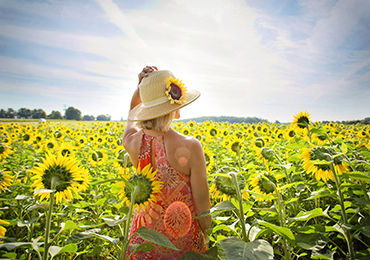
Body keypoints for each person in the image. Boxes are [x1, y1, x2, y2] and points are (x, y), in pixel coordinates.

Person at [122, 66, 212, 259]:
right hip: (182, 240)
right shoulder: (191, 146)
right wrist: (207, 234)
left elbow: (131, 114)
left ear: (144, 109)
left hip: (143, 240)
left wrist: (141, 89)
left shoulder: (132, 141)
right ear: (175, 109)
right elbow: (202, 201)